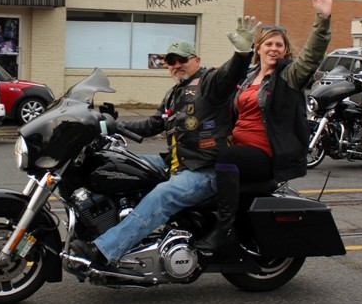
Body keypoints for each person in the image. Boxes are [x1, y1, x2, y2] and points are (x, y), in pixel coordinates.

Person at [70, 17, 262, 265]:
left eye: (183, 59)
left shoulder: (209, 83)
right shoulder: (174, 93)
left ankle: (105, 252)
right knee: (117, 165)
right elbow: (153, 124)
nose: (177, 65)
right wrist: (108, 124)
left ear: (197, 60)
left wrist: (242, 52)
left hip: (204, 170)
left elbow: (229, 75)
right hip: (178, 163)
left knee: (161, 195)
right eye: (171, 61)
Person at [194, 0, 333, 253]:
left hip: (266, 152)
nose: (274, 48)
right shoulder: (247, 78)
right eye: (268, 43)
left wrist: (322, 20)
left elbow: (311, 57)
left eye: (279, 45)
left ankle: (225, 230)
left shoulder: (288, 76)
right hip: (241, 145)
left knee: (228, 158)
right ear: (258, 48)